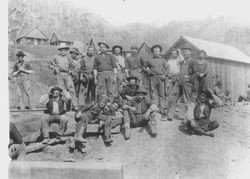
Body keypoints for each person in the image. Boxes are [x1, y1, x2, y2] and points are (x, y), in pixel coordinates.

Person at [166, 46, 197, 120]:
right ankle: (170, 115)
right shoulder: (182, 61)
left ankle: (188, 117)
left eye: (187, 51)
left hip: (187, 83)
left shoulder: (193, 61)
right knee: (173, 98)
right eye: (185, 51)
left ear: (190, 52)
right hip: (179, 81)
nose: (186, 53)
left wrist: (189, 78)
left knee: (187, 101)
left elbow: (196, 73)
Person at [48, 43, 78, 110]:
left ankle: (75, 106)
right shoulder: (56, 57)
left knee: (71, 90)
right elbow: (49, 64)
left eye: (64, 50)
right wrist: (54, 68)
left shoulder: (68, 57)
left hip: (67, 75)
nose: (63, 52)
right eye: (61, 50)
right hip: (60, 75)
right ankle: (63, 107)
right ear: (60, 51)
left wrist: (71, 71)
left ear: (66, 50)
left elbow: (73, 66)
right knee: (62, 91)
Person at [144, 45, 168, 111]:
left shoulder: (163, 60)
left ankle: (162, 107)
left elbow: (167, 69)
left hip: (161, 78)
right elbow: (143, 67)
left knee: (161, 93)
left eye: (158, 51)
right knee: (152, 92)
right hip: (153, 77)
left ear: (160, 52)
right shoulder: (149, 60)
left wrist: (164, 75)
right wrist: (148, 71)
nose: (156, 52)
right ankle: (154, 106)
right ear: (152, 52)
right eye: (155, 51)